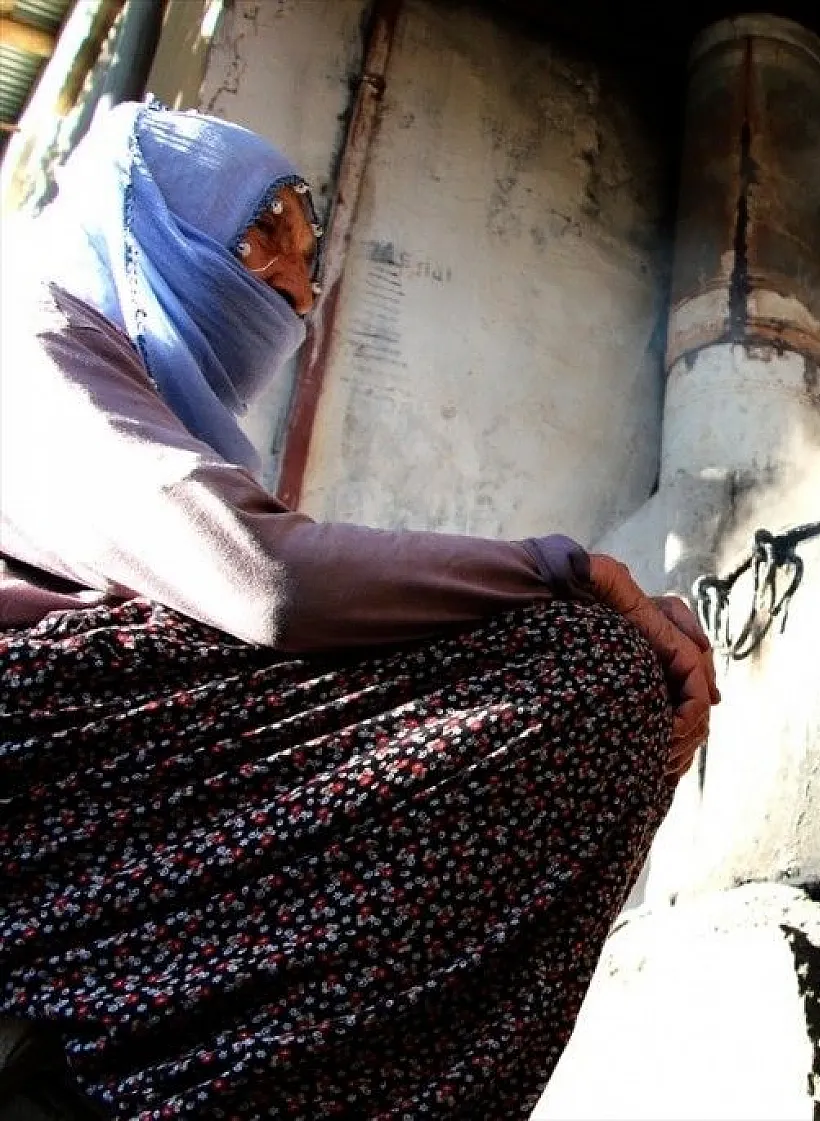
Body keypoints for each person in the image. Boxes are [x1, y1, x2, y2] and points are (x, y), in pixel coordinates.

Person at [0, 100, 718, 1119]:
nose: (293, 286)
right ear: (140, 222)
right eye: (262, 233)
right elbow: (268, 579)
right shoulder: (25, 329)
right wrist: (568, 569)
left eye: (305, 250)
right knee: (589, 663)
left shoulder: (162, 434)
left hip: (94, 817)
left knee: (605, 689)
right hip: (36, 804)